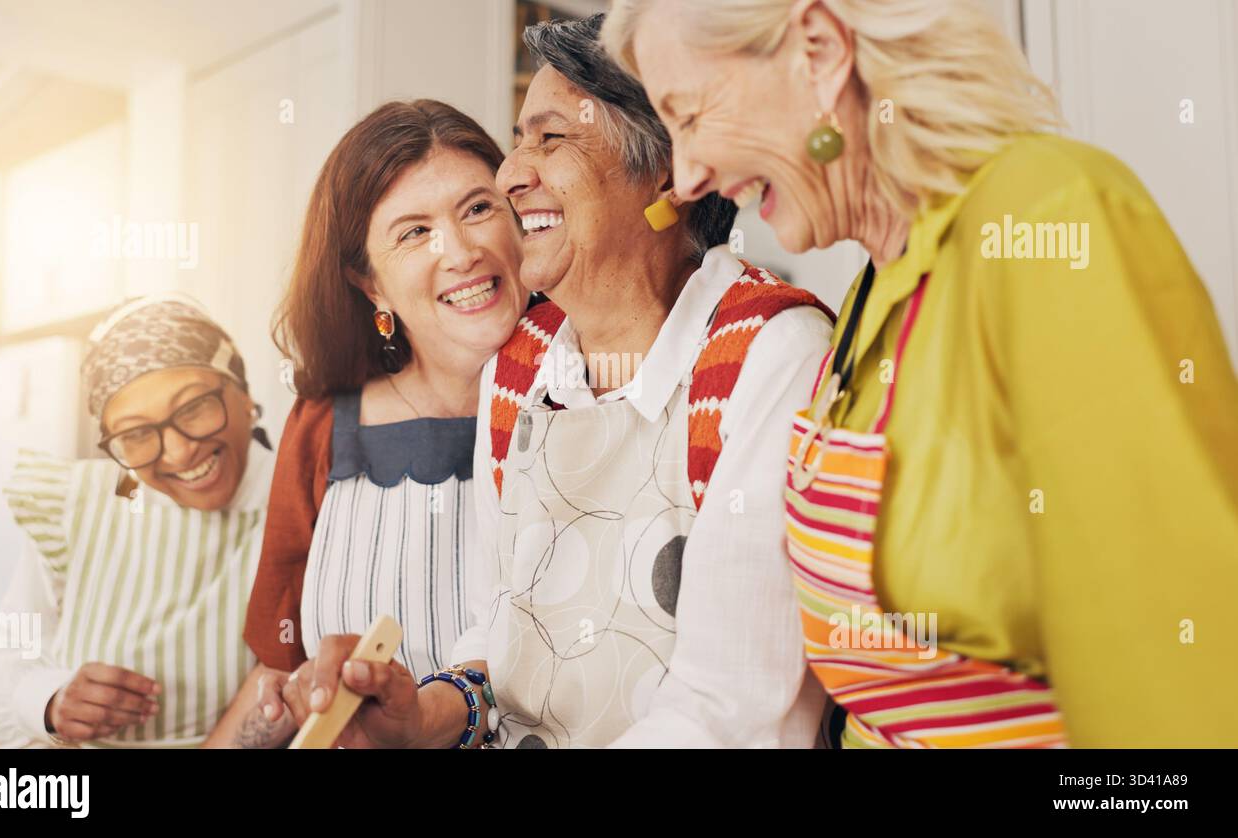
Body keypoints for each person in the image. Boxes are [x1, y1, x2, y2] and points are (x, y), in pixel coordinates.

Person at [605, 0, 1238, 747]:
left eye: (691, 114)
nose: (686, 176)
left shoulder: (1046, 221)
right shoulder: (871, 295)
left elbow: (1174, 699)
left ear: (818, 50)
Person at [278, 14, 836, 749]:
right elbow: (497, 633)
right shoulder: (521, 363)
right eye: (517, 140)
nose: (511, 173)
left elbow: (731, 711)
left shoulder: (768, 353)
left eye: (551, 138)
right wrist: (425, 716)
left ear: (669, 168)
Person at [204, 100, 525, 747]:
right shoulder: (323, 423)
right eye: (413, 232)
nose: (460, 252)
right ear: (369, 284)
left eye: (478, 208)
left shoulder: (586, 397)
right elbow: (280, 664)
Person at [0, 294, 275, 747]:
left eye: (194, 407)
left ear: (243, 394)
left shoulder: (303, 505)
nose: (180, 452)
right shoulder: (80, 506)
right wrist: (50, 700)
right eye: (138, 434)